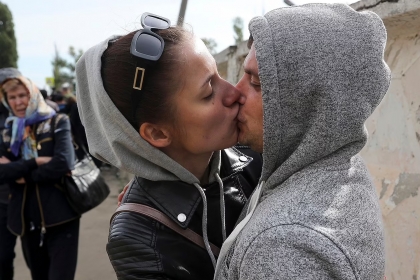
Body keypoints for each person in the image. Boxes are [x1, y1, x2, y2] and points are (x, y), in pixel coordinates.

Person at [75, 13, 262, 280]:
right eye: (209, 92)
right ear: (158, 133)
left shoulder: (257, 154)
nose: (234, 93)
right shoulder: (138, 238)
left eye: (219, 75)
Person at [213, 4, 391, 280]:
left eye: (257, 83)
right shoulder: (337, 164)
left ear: (308, 103)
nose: (236, 92)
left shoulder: (284, 244)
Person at [0, 72, 79, 280]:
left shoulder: (57, 122)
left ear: (32, 94)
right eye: (12, 98)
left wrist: (23, 175)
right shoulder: (8, 133)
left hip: (61, 216)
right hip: (27, 220)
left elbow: (62, 163)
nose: (18, 102)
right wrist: (34, 162)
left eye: (22, 95)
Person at [0, 68, 20, 280]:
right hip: (3, 199)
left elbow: (56, 161)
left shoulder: (40, 115)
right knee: (3, 257)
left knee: (38, 260)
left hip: (34, 197)